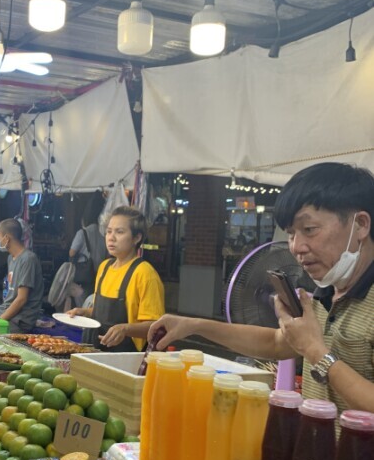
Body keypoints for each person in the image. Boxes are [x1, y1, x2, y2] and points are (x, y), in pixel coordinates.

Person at [148, 162, 374, 413]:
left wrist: (314, 350)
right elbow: (278, 343)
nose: (296, 247)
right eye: (290, 234)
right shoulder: (326, 291)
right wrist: (194, 326)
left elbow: (310, 348)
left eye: (309, 230)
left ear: (361, 225)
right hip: (317, 448)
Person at [68, 206, 165, 351]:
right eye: (108, 231)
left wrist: (125, 329)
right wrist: (84, 312)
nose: (111, 237)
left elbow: (156, 327)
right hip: (94, 350)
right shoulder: (104, 267)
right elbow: (102, 313)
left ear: (137, 238)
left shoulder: (145, 274)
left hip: (124, 358)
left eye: (119, 232)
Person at [0, 218, 44, 333]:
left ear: (6, 238)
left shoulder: (28, 259)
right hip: (9, 315)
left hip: (20, 320)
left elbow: (21, 299)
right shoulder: (10, 258)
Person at [69, 211, 108, 303]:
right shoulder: (105, 235)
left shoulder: (82, 232)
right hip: (99, 273)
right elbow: (108, 255)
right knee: (94, 301)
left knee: (81, 301)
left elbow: (72, 253)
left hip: (84, 274)